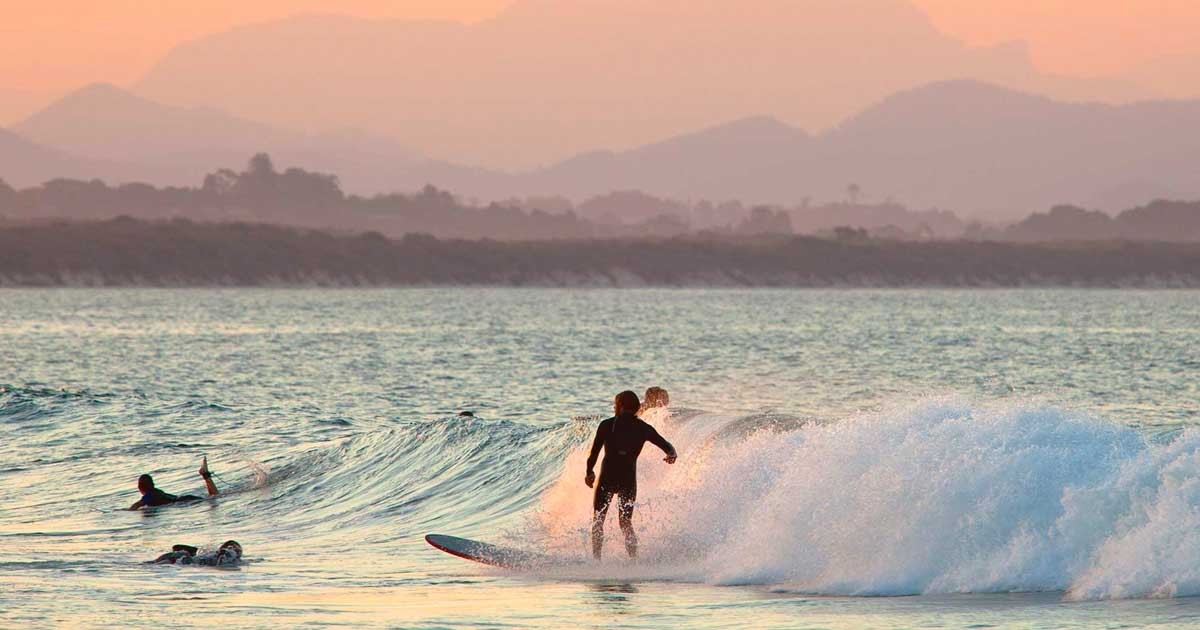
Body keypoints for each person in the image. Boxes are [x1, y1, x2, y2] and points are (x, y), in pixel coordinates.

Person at [585, 390, 678, 560]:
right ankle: (633, 561)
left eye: (615, 404)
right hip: (628, 479)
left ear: (619, 406)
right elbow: (667, 446)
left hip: (607, 477)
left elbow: (593, 454)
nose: (614, 407)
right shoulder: (643, 428)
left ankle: (596, 561)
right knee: (626, 523)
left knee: (598, 520)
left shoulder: (606, 425)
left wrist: (589, 472)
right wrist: (672, 454)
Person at [128, 456, 220, 510]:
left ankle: (205, 475)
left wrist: (125, 511)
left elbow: (137, 505)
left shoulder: (150, 496)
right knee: (213, 497)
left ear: (140, 487)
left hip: (185, 501)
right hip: (184, 499)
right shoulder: (156, 492)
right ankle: (205, 475)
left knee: (213, 498)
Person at [152, 540, 243, 566]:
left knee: (156, 563)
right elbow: (176, 547)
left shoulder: (226, 554)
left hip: (188, 560)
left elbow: (176, 547)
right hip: (189, 561)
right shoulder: (229, 557)